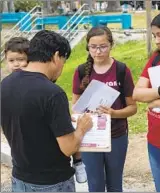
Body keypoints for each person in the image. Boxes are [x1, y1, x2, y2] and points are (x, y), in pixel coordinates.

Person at [1, 30, 93, 192]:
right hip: (51, 182)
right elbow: (69, 147)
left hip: (19, 178)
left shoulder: (5, 84)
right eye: (63, 61)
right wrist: (81, 128)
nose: (61, 68)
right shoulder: (53, 93)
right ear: (57, 56)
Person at [72, 26, 137, 192]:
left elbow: (132, 108)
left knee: (115, 185)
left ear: (111, 45)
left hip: (116, 136)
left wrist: (114, 113)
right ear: (88, 47)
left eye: (103, 46)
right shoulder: (81, 71)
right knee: (95, 185)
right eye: (93, 47)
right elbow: (76, 108)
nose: (98, 51)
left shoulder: (122, 70)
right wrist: (84, 114)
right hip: (90, 136)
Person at [133, 11, 160, 192]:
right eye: (154, 36)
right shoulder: (156, 59)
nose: (157, 41)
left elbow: (146, 95)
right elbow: (136, 93)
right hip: (154, 141)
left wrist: (156, 102)